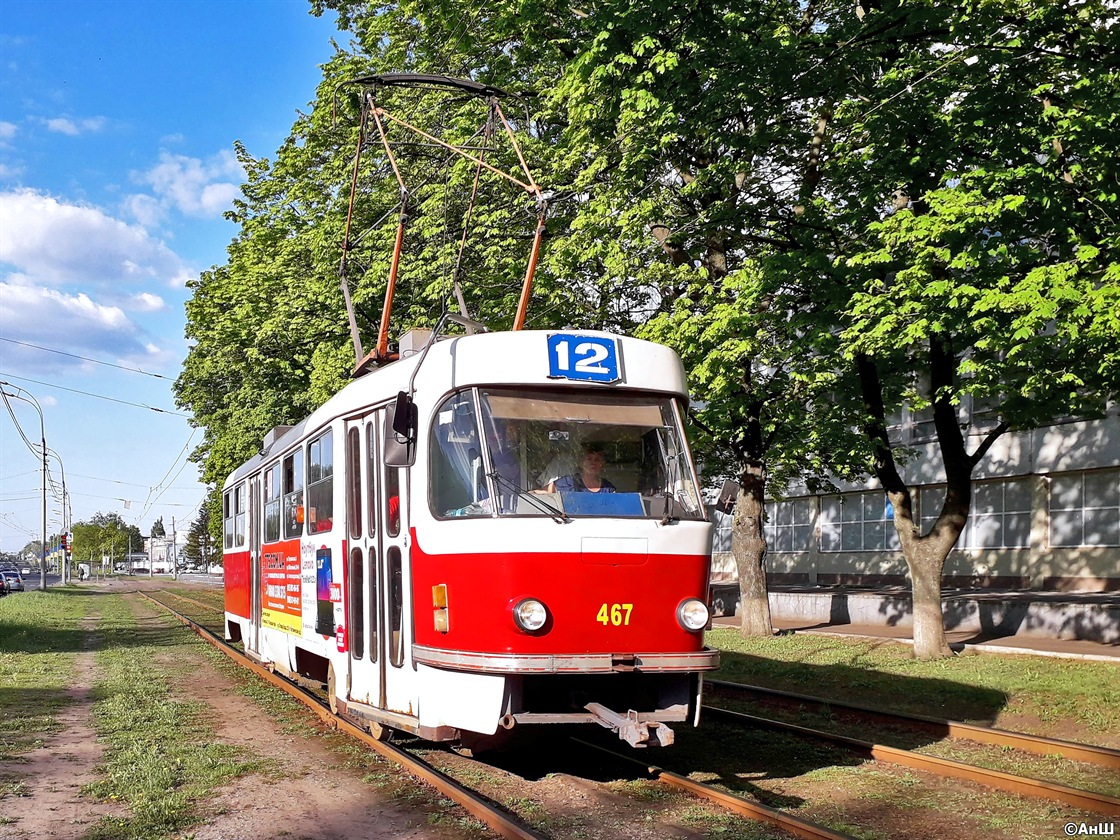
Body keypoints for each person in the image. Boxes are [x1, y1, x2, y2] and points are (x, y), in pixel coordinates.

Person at [549, 445, 617, 493]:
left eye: (597, 459)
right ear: (581, 463)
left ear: (601, 464)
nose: (593, 463)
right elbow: (545, 493)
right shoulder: (569, 481)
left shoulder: (608, 488)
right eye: (589, 459)